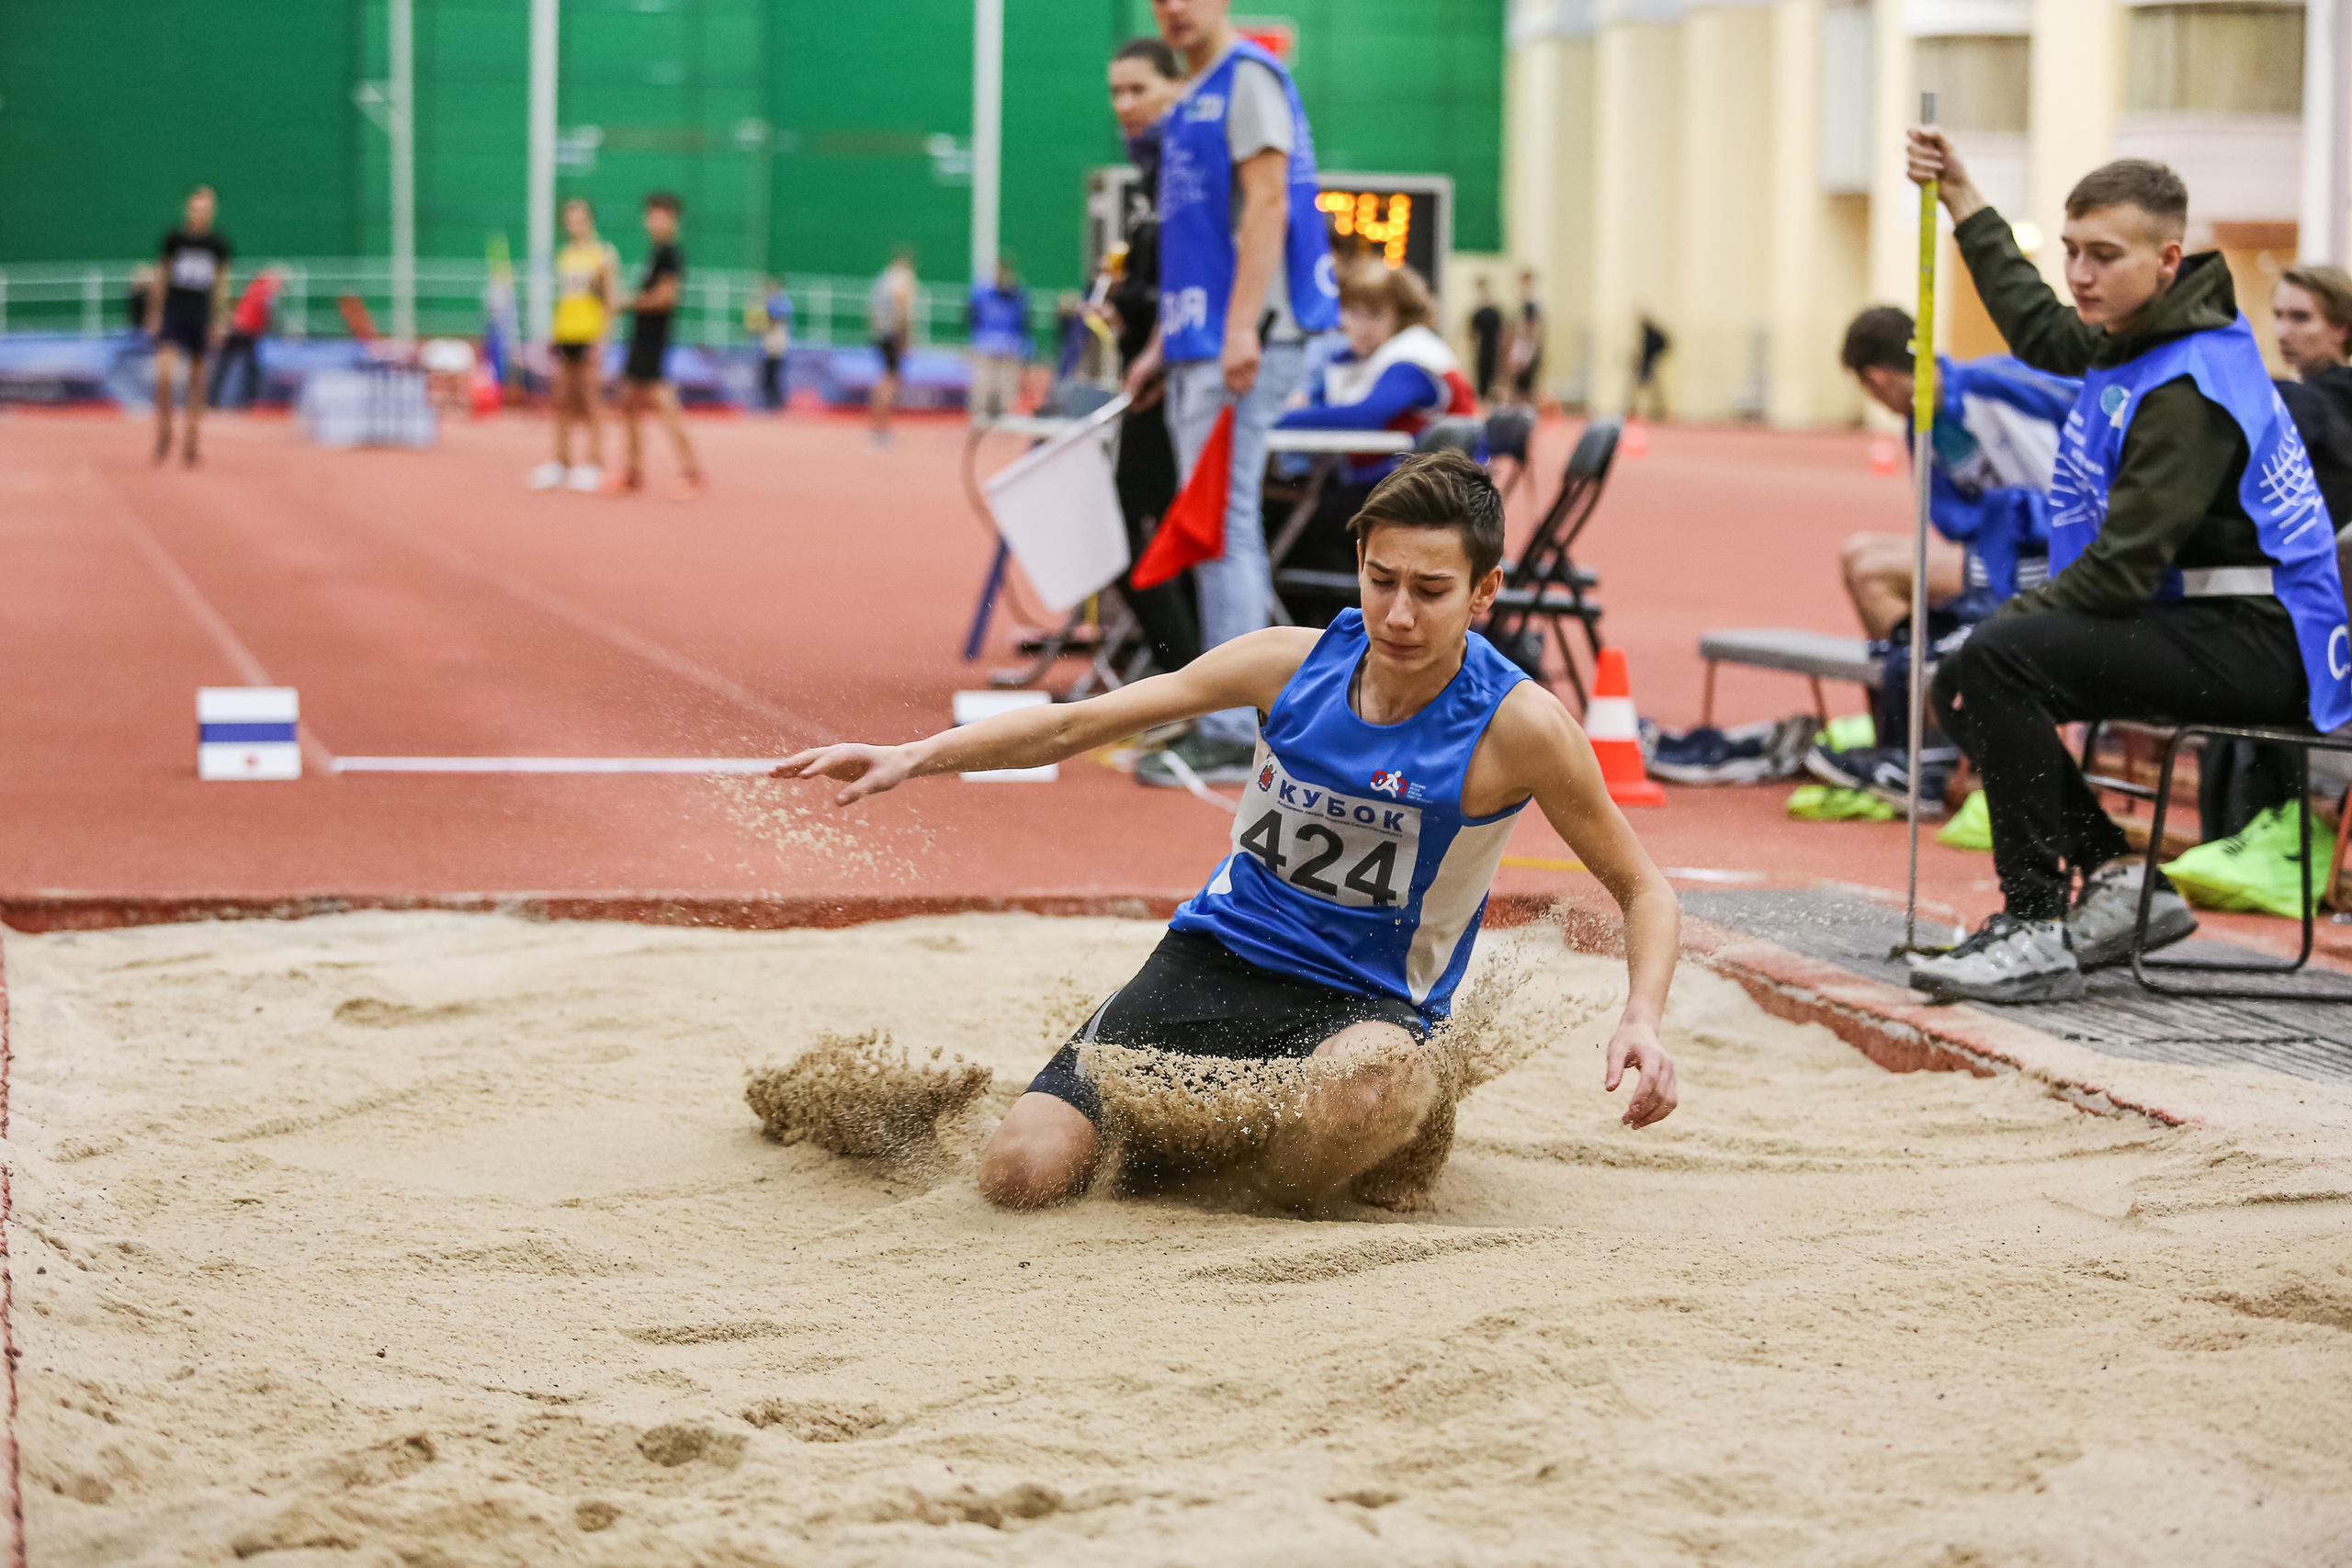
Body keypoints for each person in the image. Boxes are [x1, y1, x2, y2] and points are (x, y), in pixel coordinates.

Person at [774, 451, 1681, 1212]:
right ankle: (1167, 1132)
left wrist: (1640, 1017)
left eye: (1432, 590)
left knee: (1363, 1094)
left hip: (1366, 1006)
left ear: (1485, 591)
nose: (1399, 614)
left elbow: (1643, 887)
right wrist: (914, 755)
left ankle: (1364, 1134)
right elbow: (1074, 725)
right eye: (1382, 580)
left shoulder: (1520, 729)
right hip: (1213, 960)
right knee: (1020, 1176)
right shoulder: (1285, 663)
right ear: (1359, 562)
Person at [1900, 133, 2349, 1004]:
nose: (2079, 274)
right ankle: (2119, 878)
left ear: (2168, 259)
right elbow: (2037, 325)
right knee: (1965, 677)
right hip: (2212, 621)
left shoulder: (2188, 384)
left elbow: (2117, 574)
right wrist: (1962, 195)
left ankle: (2034, 926)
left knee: (1993, 659)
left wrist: (2001, 628)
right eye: (2071, 250)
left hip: (2268, 642)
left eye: (2103, 255)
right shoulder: (2144, 335)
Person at [1125, 0, 1344, 789]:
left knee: (1224, 526)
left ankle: (1234, 724)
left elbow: (1268, 201)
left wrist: (1242, 325)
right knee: (1214, 525)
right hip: (1202, 339)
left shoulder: (1248, 78)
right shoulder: (1195, 94)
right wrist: (1163, 344)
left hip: (1246, 339)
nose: (1174, 8)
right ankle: (1229, 712)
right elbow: (1197, 237)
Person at [1809, 305, 2078, 815]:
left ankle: (1929, 748)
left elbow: (2086, 479)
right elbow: (1951, 519)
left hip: (2062, 560)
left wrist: (2013, 524)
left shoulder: (1992, 388)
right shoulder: (1925, 419)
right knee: (1861, 553)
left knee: (1872, 569)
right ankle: (1912, 731)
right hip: (2003, 552)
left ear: (1875, 378)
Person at [2199, 264, 2352, 841]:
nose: (2284, 331)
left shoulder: (2324, 402)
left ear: (2341, 328)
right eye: (2279, 316)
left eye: (2301, 318)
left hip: (2313, 629)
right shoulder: (2302, 402)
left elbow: (2291, 410)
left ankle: (2249, 839)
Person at [1271, 259, 1475, 626]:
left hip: (1423, 500)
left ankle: (1319, 634)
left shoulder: (1412, 358)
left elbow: (1363, 416)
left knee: (1301, 523)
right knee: (1299, 513)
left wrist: (1267, 419)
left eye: (1376, 314)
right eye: (1353, 312)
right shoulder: (1363, 358)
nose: (1361, 325)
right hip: (1403, 490)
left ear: (1402, 317)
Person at [1102, 33, 1201, 677]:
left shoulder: (1187, 169)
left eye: (1139, 89)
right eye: (1116, 92)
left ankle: (1187, 677)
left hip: (1172, 380)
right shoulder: (1148, 177)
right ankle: (1182, 676)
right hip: (1149, 378)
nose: (1125, 104)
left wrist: (1160, 350)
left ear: (1176, 88)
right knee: (1137, 535)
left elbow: (1192, 277)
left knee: (1137, 537)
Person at [603, 192, 704, 501]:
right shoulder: (655, 253)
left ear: (673, 220)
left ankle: (692, 473)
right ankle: (632, 474)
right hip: (640, 339)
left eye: (661, 216)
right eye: (651, 215)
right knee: (629, 402)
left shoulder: (670, 254)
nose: (654, 221)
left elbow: (666, 298)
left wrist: (626, 301)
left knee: (664, 403)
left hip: (654, 341)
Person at [528, 197, 618, 491]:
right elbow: (566, 298)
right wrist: (554, 334)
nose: (573, 225)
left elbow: (609, 301)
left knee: (592, 401)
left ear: (589, 220)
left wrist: (602, 339)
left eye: (578, 219)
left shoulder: (603, 255)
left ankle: (594, 463)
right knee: (562, 400)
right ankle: (561, 462)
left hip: (589, 335)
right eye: (569, 220)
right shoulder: (565, 255)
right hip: (566, 334)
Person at [151, 186, 231, 468]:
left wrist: (220, 318)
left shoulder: (217, 244)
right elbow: (162, 275)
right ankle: (165, 428)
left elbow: (221, 283)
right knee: (164, 372)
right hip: (175, 311)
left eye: (205, 209)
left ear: (212, 212)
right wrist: (155, 313)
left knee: (198, 377)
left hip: (200, 313)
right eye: (196, 208)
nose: (200, 214)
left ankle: (192, 439)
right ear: (188, 209)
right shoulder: (175, 239)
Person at [208, 265, 283, 411]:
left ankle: (211, 400)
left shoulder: (253, 286)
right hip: (248, 331)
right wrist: (270, 329)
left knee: (225, 365)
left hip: (237, 328)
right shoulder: (268, 288)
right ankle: (249, 402)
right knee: (250, 368)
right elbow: (266, 309)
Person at [967, 255, 1029, 422]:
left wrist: (1025, 343)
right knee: (983, 385)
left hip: (1009, 345)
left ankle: (1006, 415)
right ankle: (979, 415)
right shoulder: (982, 292)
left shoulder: (1016, 293)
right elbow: (972, 316)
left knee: (1007, 386)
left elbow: (1023, 319)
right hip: (986, 344)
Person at [868, 248, 916, 448]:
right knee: (890, 380)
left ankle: (877, 428)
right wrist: (905, 336)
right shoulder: (902, 277)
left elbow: (871, 310)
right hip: (892, 333)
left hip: (880, 333)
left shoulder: (882, 279)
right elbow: (900, 302)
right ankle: (882, 429)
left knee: (884, 379)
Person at [755, 276, 793, 412]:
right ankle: (772, 405)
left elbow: (775, 321)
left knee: (773, 377)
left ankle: (775, 406)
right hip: (774, 345)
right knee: (770, 377)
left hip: (776, 346)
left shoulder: (778, 303)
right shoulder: (777, 303)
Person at [1507, 271, 1544, 407]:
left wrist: (1527, 351)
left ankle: (1524, 410)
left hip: (1526, 347)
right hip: (1522, 346)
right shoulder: (1523, 305)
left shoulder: (1531, 305)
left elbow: (1532, 330)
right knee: (1518, 385)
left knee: (1525, 385)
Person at [1467, 277, 1504, 404]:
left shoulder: (1491, 313)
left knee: (1489, 381)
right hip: (1486, 350)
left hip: (1489, 350)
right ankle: (1487, 402)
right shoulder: (1480, 313)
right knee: (1486, 380)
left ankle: (1488, 402)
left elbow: (1501, 335)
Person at [1631, 311, 1669, 421]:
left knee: (1644, 387)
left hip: (1648, 362)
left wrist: (1653, 358)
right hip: (1648, 361)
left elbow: (1660, 345)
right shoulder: (1651, 331)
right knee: (1644, 387)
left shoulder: (1650, 332)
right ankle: (1643, 411)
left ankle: (1643, 412)